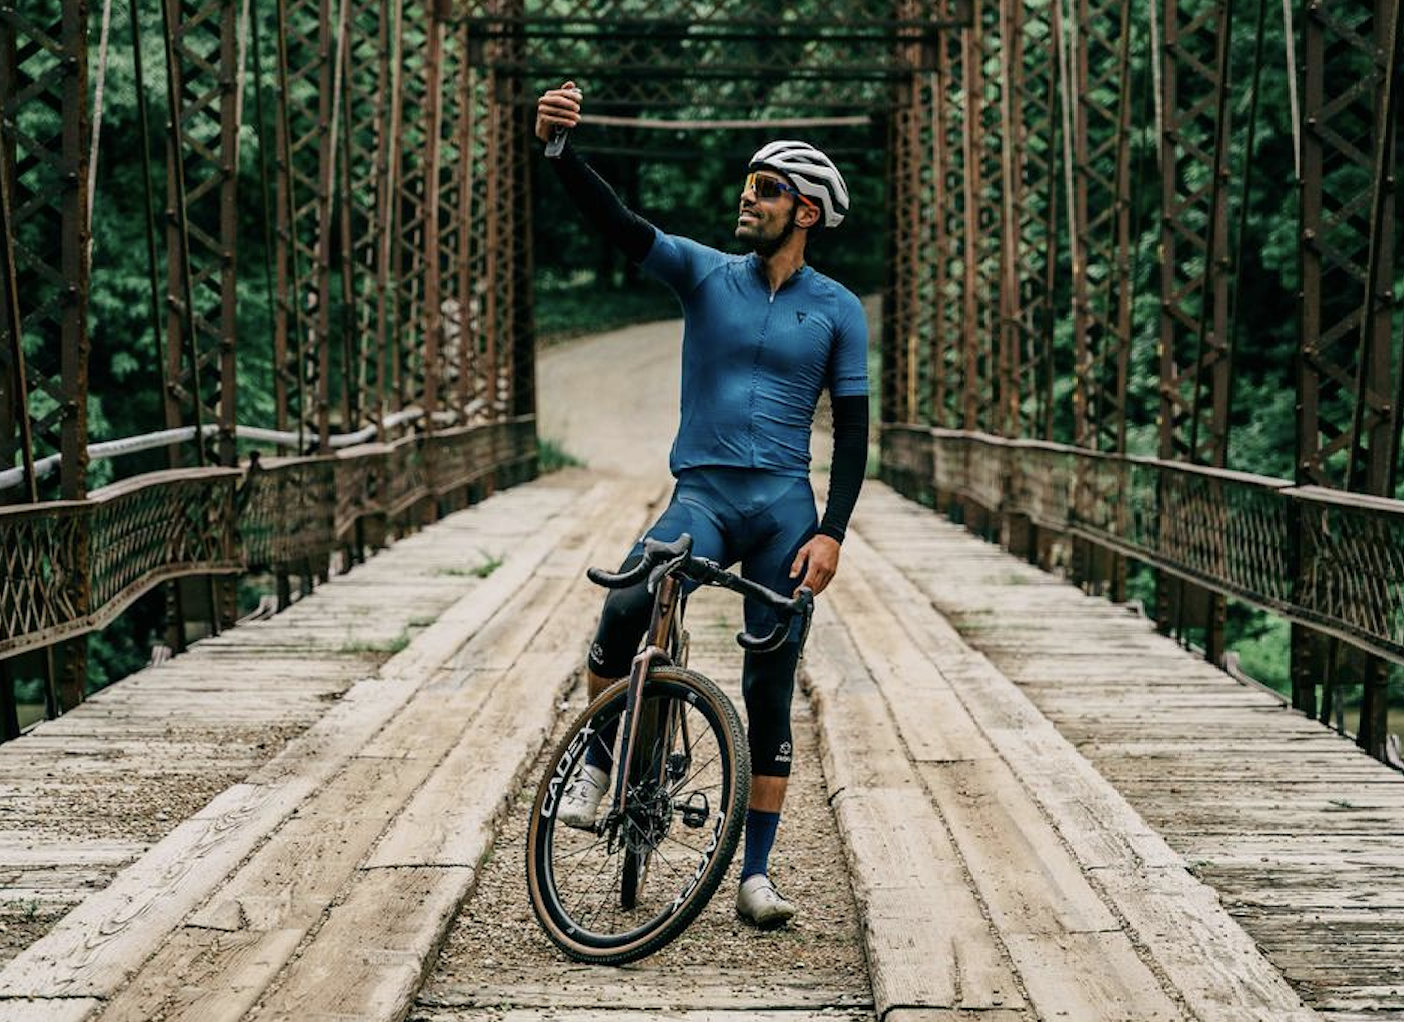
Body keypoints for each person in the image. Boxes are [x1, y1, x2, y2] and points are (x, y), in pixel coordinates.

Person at [535, 81, 869, 930]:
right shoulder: (703, 273)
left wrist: (831, 534)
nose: (744, 200)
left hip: (784, 508)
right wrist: (559, 151)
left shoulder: (837, 310)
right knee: (626, 601)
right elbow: (617, 223)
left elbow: (856, 433)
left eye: (763, 190)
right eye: (746, 186)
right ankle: (605, 763)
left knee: (770, 681)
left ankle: (755, 873)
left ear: (806, 211)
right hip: (707, 495)